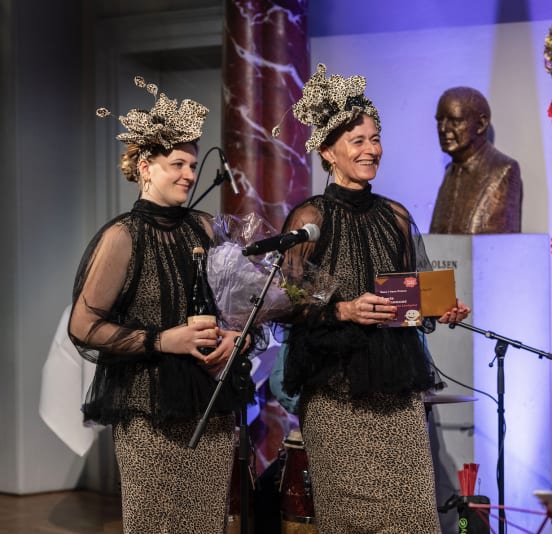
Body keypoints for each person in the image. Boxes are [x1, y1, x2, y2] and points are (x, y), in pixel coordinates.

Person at [275, 64, 470, 533]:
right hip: (337, 395)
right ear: (328, 151)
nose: (371, 149)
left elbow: (411, 293)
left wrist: (439, 308)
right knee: (352, 521)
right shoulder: (308, 218)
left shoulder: (396, 216)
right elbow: (285, 304)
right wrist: (342, 308)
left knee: (414, 519)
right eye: (358, 140)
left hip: (397, 395)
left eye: (375, 138)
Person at [68, 76, 252, 533]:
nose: (189, 174)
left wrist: (238, 336)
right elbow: (83, 325)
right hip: (147, 409)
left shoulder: (207, 229)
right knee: (156, 526)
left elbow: (245, 305)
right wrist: (162, 339)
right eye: (177, 164)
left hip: (208, 403)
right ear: (146, 167)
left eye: (192, 164)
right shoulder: (123, 237)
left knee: (205, 524)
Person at [429, 86, 523, 234]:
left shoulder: (504, 170)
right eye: (440, 120)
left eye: (454, 121)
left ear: (481, 124)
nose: (442, 129)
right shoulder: (449, 172)